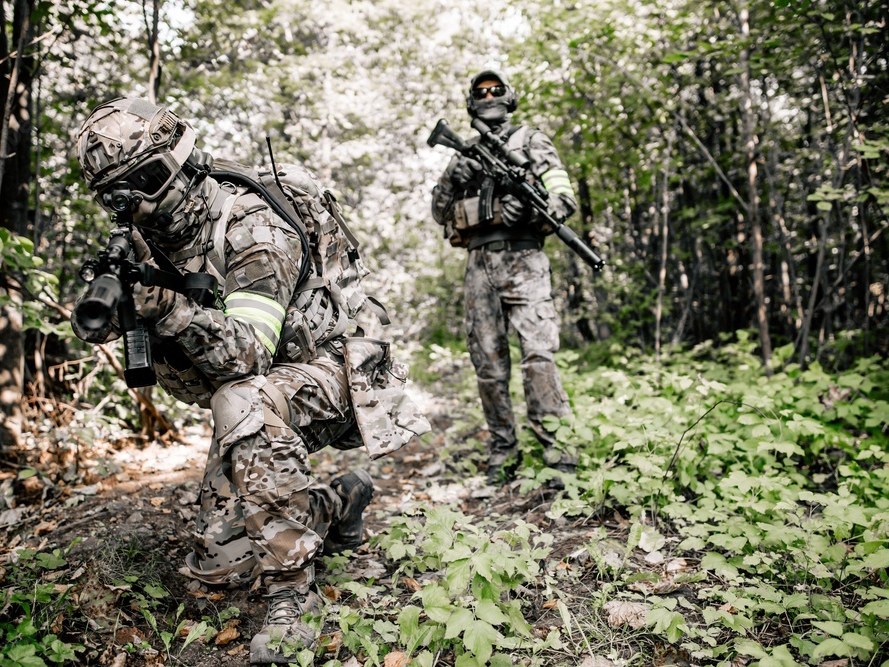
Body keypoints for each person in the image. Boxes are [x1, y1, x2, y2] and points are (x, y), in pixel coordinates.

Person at [72, 97, 429, 663]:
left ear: (184, 160)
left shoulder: (250, 228)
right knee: (219, 557)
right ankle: (340, 501)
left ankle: (293, 601)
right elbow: (191, 378)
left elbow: (245, 358)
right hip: (265, 393)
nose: (138, 201)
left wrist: (166, 309)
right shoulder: (154, 245)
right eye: (120, 192)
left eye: (147, 178)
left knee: (240, 397)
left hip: (338, 374)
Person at [430, 70, 577, 481]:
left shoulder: (531, 141)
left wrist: (530, 210)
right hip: (479, 267)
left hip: (524, 261)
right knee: (489, 366)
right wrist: (451, 179)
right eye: (481, 92)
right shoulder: (465, 153)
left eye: (496, 90)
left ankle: (559, 454)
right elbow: (440, 213)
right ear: (471, 101)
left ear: (509, 97)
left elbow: (563, 196)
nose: (489, 96)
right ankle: (502, 452)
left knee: (539, 356)